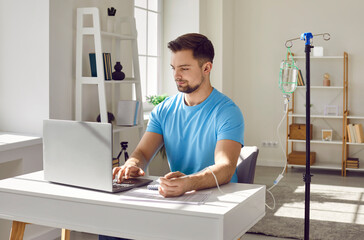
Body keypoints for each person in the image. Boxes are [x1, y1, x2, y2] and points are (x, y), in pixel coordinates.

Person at [99, 33, 244, 240]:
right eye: (173, 68)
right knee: (112, 228)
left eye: (184, 68)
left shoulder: (227, 112)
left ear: (206, 68)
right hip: (175, 197)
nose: (176, 75)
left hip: (215, 200)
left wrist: (188, 183)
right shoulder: (164, 110)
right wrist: (132, 164)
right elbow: (142, 152)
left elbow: (225, 168)